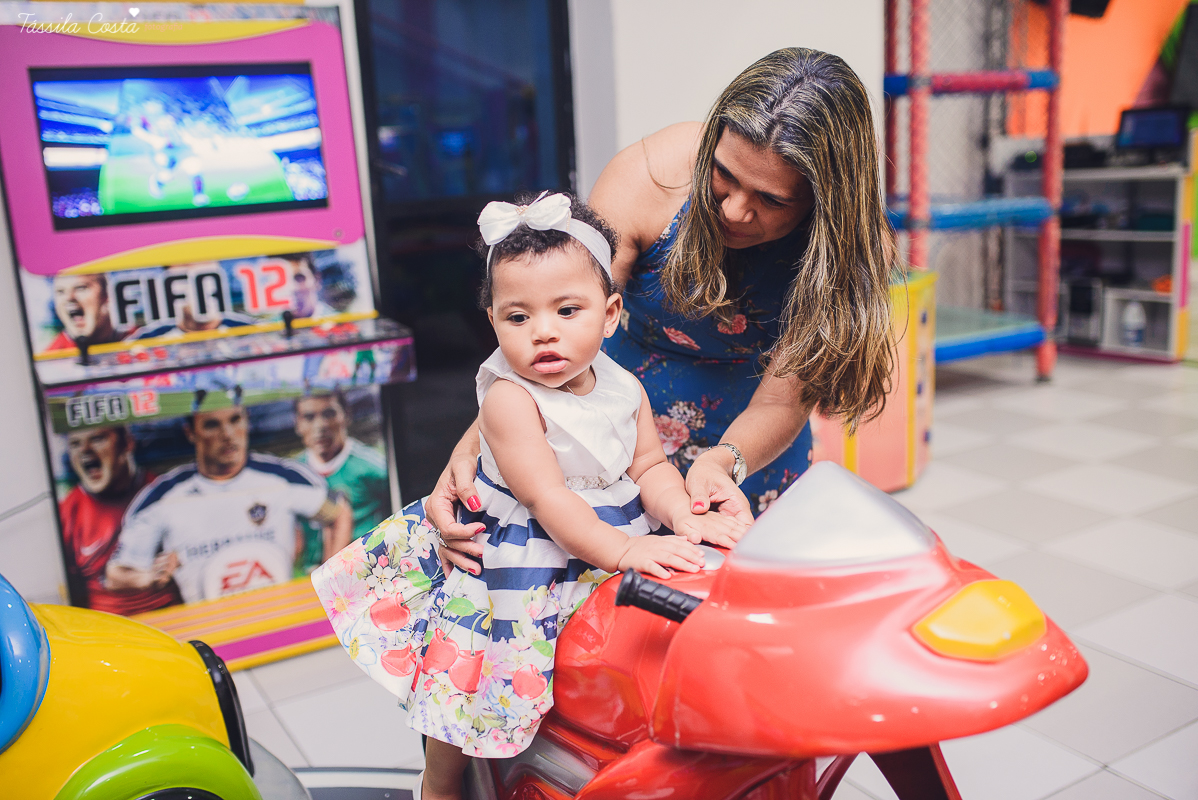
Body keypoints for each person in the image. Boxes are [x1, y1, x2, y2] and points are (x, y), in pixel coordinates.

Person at [311, 193, 743, 800]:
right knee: (468, 684)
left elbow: (650, 465)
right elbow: (547, 500)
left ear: (611, 312)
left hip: (598, 540)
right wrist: (624, 552)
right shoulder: (510, 400)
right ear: (493, 323)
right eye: (518, 317)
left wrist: (682, 517)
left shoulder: (625, 387)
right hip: (521, 561)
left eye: (568, 310)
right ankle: (439, 785)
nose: (543, 332)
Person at [433, 47, 900, 572]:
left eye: (770, 200)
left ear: (824, 200)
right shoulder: (649, 180)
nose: (733, 210)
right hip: (611, 443)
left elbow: (782, 402)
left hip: (748, 451)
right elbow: (555, 325)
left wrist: (724, 463)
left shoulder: (852, 249)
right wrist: (476, 448)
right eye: (723, 176)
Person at [106, 401, 353, 603]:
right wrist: (147, 576)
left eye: (235, 420)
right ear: (191, 433)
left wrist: (326, 579)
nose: (227, 435)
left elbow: (339, 512)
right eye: (212, 425)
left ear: (246, 422)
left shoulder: (283, 477)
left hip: (281, 617)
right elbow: (116, 574)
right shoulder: (162, 496)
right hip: (211, 630)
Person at [58, 425, 180, 614]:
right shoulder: (68, 512)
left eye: (97, 439)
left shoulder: (164, 493)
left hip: (172, 622)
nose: (85, 450)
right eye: (75, 443)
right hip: (110, 632)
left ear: (127, 443)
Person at [293, 391, 391, 575]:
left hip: (365, 573)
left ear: (346, 415)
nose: (320, 425)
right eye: (309, 417)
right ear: (297, 424)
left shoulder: (375, 468)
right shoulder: (293, 473)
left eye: (329, 414)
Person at [44, 274, 127, 353]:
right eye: (60, 292)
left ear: (106, 295)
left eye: (80, 288)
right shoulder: (51, 358)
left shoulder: (136, 338)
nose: (69, 298)